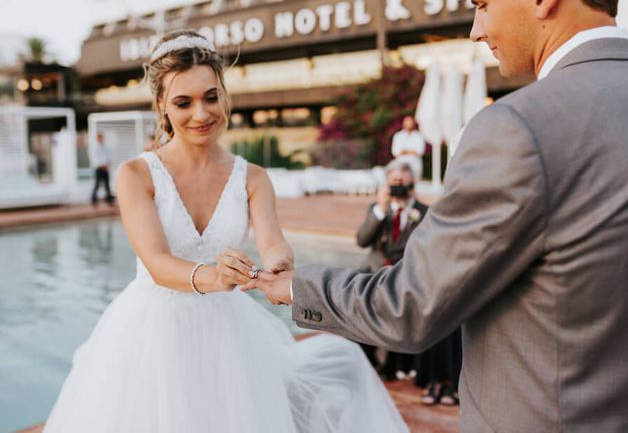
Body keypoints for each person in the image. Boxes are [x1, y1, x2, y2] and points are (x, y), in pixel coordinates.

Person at [225, 0, 628, 431]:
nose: (475, 30)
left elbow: (411, 305)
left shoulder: (518, 128)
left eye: (482, 4)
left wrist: (294, 287)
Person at [43, 30, 408, 433]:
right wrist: (213, 276)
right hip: (151, 336)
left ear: (224, 95)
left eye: (211, 97)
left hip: (229, 335)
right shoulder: (136, 175)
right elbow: (158, 263)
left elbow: (273, 243)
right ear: (162, 106)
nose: (201, 114)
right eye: (183, 102)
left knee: (339, 363)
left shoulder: (253, 177)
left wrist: (277, 266)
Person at [355, 161, 427, 380]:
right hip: (374, 273)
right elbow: (362, 240)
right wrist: (380, 208)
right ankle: (367, 359)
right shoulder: (377, 209)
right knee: (357, 296)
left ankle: (393, 364)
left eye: (403, 183)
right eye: (394, 183)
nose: (398, 188)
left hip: (405, 274)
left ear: (413, 184)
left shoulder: (423, 212)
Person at [390, 115, 425, 180]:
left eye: (410, 123)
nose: (409, 125)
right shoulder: (398, 136)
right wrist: (412, 152)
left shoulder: (419, 136)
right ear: (403, 124)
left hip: (415, 165)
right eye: (407, 123)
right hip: (400, 165)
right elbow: (395, 152)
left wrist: (404, 152)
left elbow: (420, 151)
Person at [89, 132, 114, 206]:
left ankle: (109, 200)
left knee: (107, 185)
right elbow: (94, 160)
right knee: (96, 185)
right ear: (97, 138)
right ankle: (94, 200)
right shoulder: (94, 148)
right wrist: (102, 165)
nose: (101, 139)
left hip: (105, 169)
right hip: (98, 169)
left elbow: (109, 157)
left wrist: (107, 165)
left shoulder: (106, 147)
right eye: (99, 137)